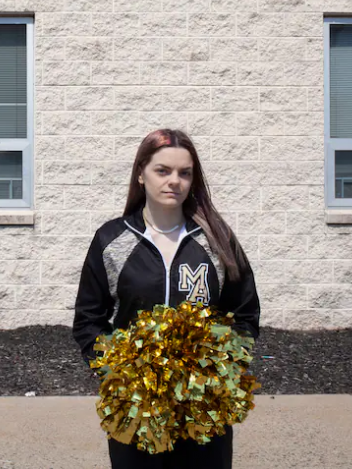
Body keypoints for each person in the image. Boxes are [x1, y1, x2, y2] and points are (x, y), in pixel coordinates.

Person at [72, 128, 261, 469]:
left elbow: (245, 313)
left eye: (184, 173)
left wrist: (222, 370)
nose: (174, 181)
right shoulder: (111, 240)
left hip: (205, 409)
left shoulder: (217, 239)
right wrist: (119, 373)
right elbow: (88, 320)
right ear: (141, 174)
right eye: (163, 170)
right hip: (135, 407)